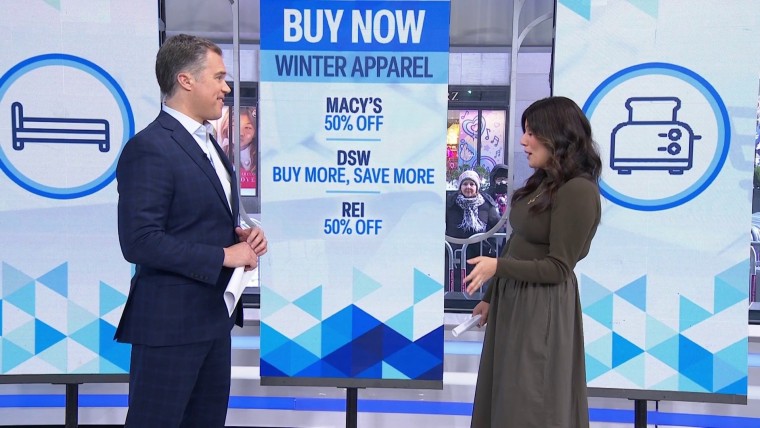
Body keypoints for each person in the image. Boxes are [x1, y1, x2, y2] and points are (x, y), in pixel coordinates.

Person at [114, 34, 267, 428]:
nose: (226, 88)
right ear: (186, 80)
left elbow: (198, 222)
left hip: (213, 321)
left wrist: (243, 238)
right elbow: (139, 240)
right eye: (218, 77)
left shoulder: (210, 145)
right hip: (169, 327)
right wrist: (224, 256)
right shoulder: (150, 148)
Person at [464, 96, 602, 427]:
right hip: (514, 302)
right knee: (506, 395)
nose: (524, 141)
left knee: (531, 400)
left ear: (558, 135)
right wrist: (490, 297)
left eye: (531, 132)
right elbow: (518, 243)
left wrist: (498, 268)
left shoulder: (578, 191)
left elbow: (559, 267)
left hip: (541, 308)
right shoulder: (544, 183)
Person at [445, 169, 500, 293]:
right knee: (455, 288)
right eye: (465, 184)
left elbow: (496, 227)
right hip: (455, 255)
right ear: (460, 187)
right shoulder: (450, 204)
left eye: (472, 184)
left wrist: (491, 248)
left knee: (476, 289)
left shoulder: (487, 204)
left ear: (477, 187)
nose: (468, 187)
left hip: (478, 254)